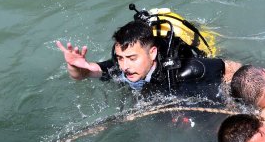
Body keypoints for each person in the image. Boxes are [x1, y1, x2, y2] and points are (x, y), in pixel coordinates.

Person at [57, 19, 240, 100]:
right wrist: (75, 66)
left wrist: (231, 102)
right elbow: (87, 72)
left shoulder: (188, 69)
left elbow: (232, 68)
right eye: (120, 58)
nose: (125, 66)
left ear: (152, 53)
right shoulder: (122, 67)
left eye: (132, 58)